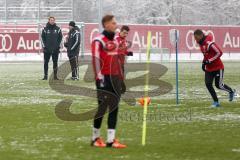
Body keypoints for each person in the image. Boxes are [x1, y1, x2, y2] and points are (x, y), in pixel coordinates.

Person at [91, 14, 127, 148]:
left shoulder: (117, 41)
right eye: (113, 23)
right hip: (103, 79)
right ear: (106, 24)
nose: (116, 25)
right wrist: (99, 79)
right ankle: (95, 138)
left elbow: (118, 61)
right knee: (102, 109)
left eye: (115, 22)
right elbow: (95, 61)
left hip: (116, 79)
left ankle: (111, 141)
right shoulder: (98, 40)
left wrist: (122, 80)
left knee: (114, 108)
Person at [194, 29, 236, 107]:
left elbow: (219, 52)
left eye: (196, 37)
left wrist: (210, 60)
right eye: (194, 38)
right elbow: (206, 55)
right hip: (209, 68)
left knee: (218, 85)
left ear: (201, 35)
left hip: (218, 67)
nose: (195, 39)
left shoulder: (210, 43)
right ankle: (216, 102)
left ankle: (231, 91)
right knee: (208, 84)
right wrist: (204, 63)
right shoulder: (201, 44)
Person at [115, 25, 133, 94]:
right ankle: (120, 89)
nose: (125, 34)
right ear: (121, 31)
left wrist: (128, 53)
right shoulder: (116, 39)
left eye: (127, 33)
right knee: (119, 76)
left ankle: (120, 89)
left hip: (121, 62)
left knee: (121, 76)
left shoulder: (124, 40)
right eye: (124, 32)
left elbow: (124, 50)